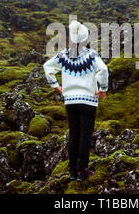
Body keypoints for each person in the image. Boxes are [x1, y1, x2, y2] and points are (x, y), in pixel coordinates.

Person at [43, 20, 108, 182]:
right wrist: (103, 88)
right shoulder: (92, 55)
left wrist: (56, 86)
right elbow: (103, 69)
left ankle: (72, 172)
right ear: (86, 39)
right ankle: (82, 171)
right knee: (85, 136)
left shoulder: (63, 55)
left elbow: (47, 67)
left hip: (70, 101)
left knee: (74, 134)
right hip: (88, 101)